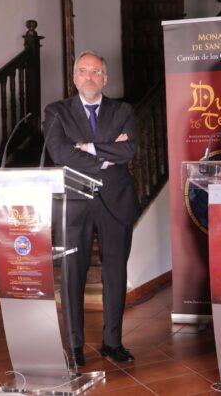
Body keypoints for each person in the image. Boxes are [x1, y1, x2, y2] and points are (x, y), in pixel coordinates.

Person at [44, 50, 140, 367]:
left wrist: (85, 148)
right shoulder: (57, 111)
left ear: (105, 78)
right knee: (73, 274)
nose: (89, 76)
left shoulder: (123, 109)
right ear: (74, 77)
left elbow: (130, 149)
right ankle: (74, 346)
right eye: (83, 71)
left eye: (96, 71)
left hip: (117, 200)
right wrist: (105, 156)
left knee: (115, 273)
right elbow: (59, 153)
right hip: (73, 202)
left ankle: (112, 342)